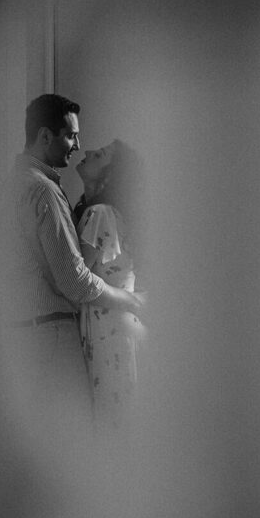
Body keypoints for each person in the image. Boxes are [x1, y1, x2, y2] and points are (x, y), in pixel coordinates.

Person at [7, 94, 144, 434]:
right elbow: (74, 281)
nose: (78, 145)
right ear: (44, 136)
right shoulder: (44, 193)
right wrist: (130, 300)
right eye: (70, 135)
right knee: (76, 439)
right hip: (50, 332)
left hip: (23, 331)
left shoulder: (14, 184)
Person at [72, 139, 146, 430]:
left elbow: (75, 278)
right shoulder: (109, 213)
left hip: (108, 330)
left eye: (99, 154)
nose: (87, 152)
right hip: (120, 327)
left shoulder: (99, 214)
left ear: (110, 175)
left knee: (109, 420)